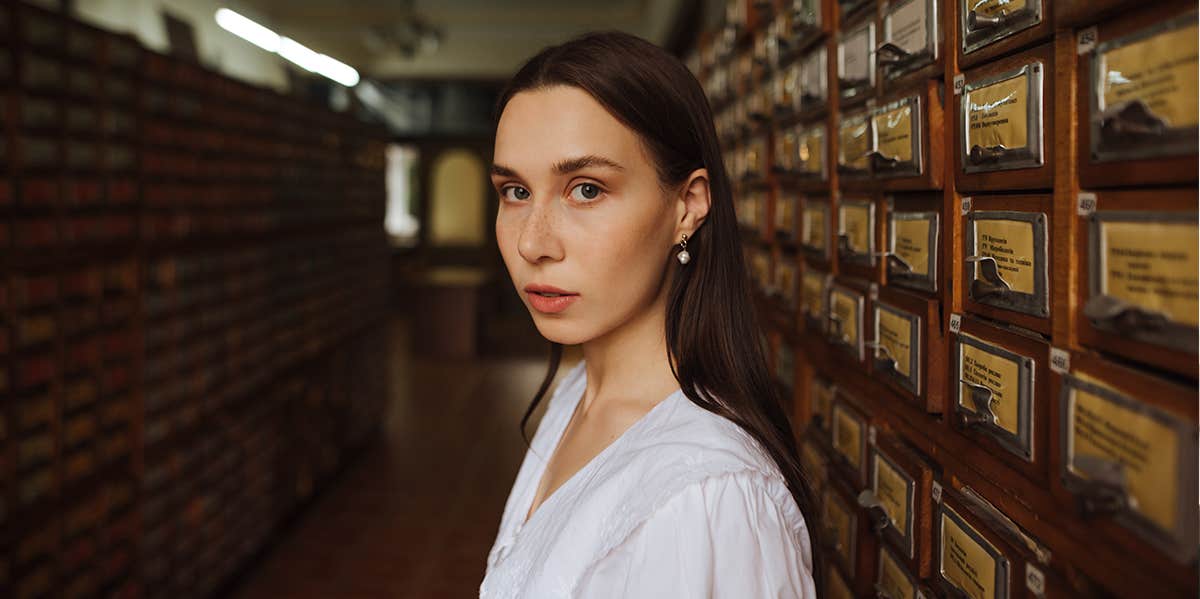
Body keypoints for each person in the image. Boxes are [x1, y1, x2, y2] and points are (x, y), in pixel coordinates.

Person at [480, 30, 821, 598]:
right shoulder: (575, 396)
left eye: (585, 190)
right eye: (515, 191)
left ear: (687, 205)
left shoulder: (710, 498)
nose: (533, 243)